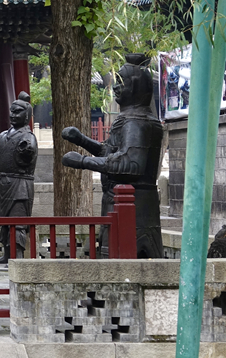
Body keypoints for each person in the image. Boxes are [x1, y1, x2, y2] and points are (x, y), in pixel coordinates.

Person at [61, 53, 164, 258]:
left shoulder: (136, 122)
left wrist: (83, 162)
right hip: (121, 204)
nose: (115, 87)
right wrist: (82, 140)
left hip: (134, 208)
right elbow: (111, 153)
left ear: (136, 87)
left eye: (121, 82)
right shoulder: (131, 119)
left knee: (123, 259)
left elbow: (129, 164)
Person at [0, 91, 37, 263]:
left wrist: (26, 150)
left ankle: (17, 255)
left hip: (20, 183)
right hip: (3, 183)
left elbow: (29, 151)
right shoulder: (3, 135)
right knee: (4, 220)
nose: (13, 115)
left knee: (18, 220)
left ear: (26, 115)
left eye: (18, 112)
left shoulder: (28, 136)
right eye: (12, 111)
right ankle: (6, 254)